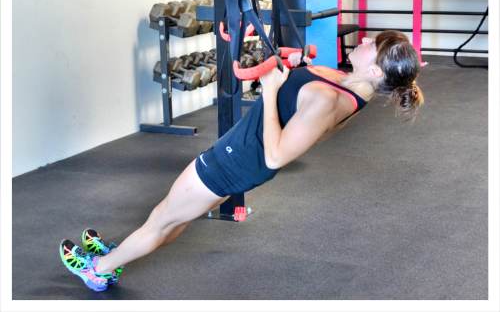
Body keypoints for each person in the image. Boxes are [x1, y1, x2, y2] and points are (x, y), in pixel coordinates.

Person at [59, 30, 424, 291]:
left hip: (236, 161)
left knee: (161, 219)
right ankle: (119, 256)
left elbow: (277, 155)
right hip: (241, 161)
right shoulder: (351, 87)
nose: (362, 41)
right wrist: (296, 66)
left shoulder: (333, 100)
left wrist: (271, 92)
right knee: (174, 220)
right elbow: (306, 109)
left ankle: (98, 270)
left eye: (369, 46)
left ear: (375, 71)